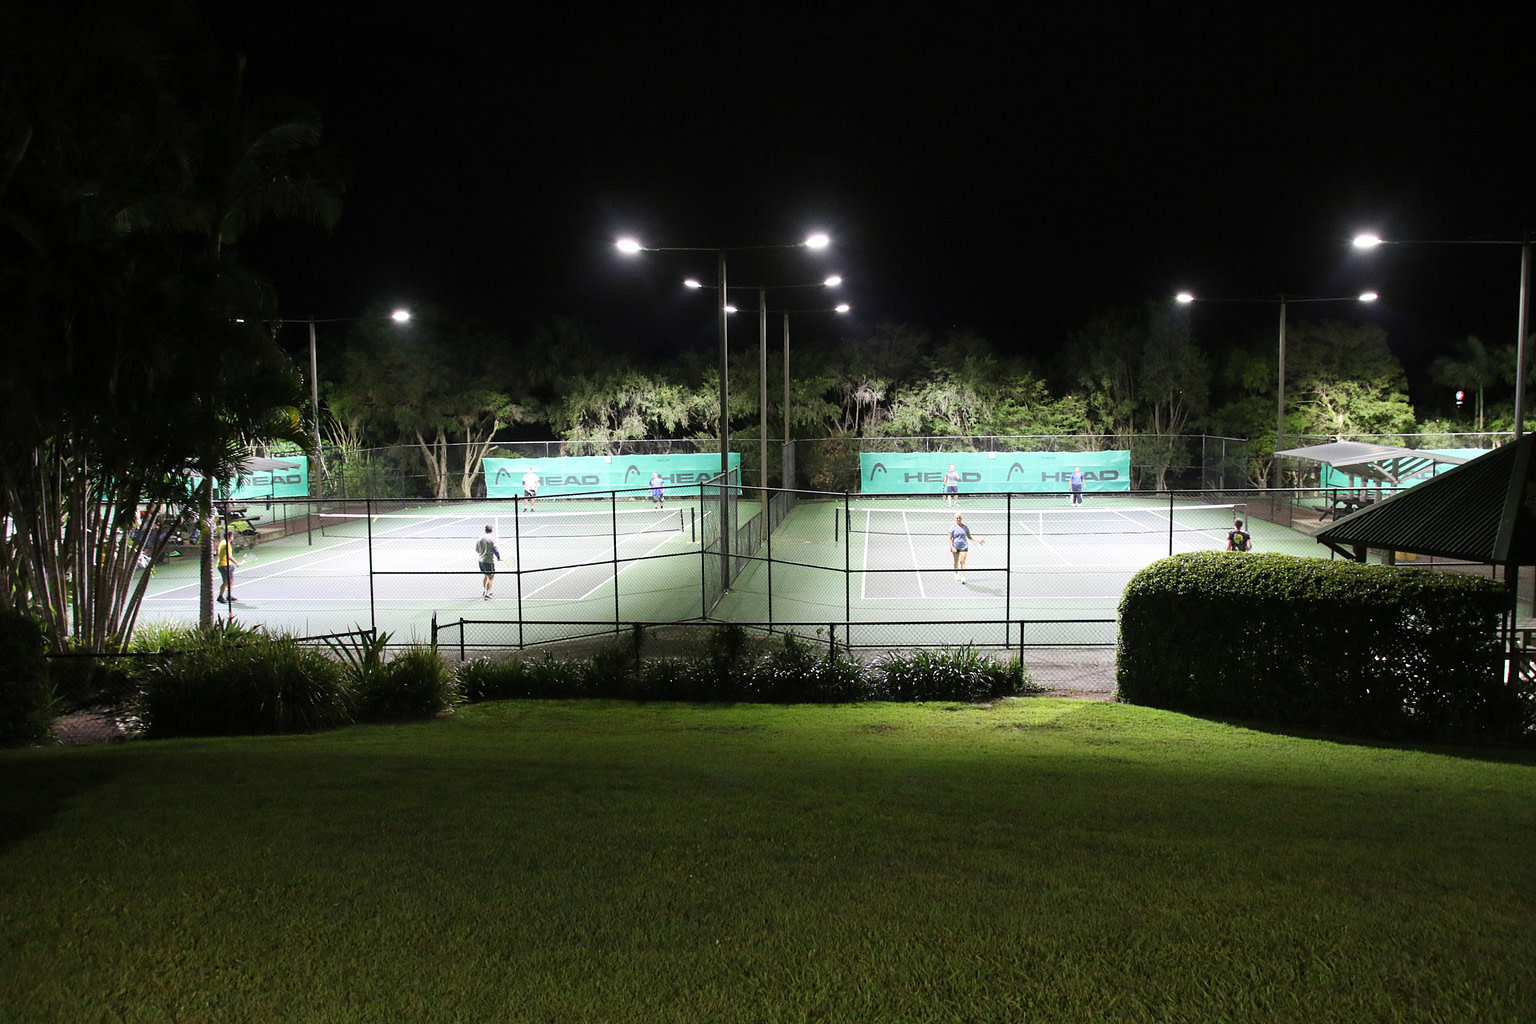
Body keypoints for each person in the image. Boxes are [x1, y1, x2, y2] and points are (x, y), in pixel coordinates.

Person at [948, 512, 984, 583]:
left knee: (962, 561)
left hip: (964, 546)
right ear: (955, 519)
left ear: (961, 518)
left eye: (959, 518)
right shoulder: (952, 528)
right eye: (957, 518)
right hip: (955, 546)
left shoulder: (965, 527)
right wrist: (952, 547)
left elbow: (969, 537)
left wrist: (979, 540)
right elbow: (949, 538)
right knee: (956, 561)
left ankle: (963, 577)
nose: (958, 519)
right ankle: (956, 573)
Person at [474, 524, 502, 599]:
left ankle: (484, 590)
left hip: (480, 561)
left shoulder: (480, 539)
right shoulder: (492, 539)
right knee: (491, 577)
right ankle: (487, 594)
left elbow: (477, 550)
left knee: (486, 575)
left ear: (485, 530)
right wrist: (498, 557)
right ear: (491, 530)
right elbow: (495, 549)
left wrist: (483, 552)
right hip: (488, 561)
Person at [215, 529, 241, 604]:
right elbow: (229, 556)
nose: (233, 537)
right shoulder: (226, 544)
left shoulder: (223, 542)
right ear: (230, 537)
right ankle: (220, 597)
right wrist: (236, 563)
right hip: (224, 565)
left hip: (227, 565)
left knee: (230, 581)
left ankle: (229, 596)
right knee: (226, 582)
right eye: (232, 535)